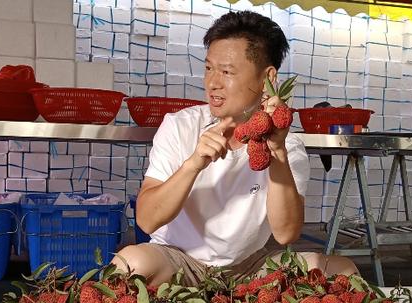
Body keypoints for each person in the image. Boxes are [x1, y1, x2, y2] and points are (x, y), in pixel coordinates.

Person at [112, 10, 358, 285]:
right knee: (129, 264)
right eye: (208, 68)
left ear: (268, 77)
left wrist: (277, 153)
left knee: (341, 270)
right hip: (177, 260)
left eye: (227, 72)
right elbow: (146, 221)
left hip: (250, 266)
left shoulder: (288, 146)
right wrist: (192, 164)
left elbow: (286, 234)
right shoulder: (181, 127)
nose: (213, 82)